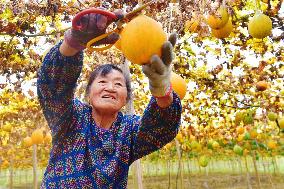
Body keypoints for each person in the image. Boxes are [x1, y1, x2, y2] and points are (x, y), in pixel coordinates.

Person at [37, 8, 182, 189]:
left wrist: (161, 89)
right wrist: (71, 44)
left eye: (119, 84)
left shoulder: (128, 130)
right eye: (103, 81)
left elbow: (161, 128)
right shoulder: (71, 117)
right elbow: (52, 88)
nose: (111, 88)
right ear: (89, 93)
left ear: (126, 98)